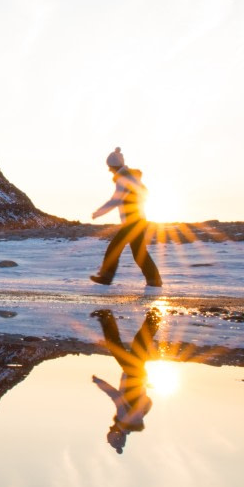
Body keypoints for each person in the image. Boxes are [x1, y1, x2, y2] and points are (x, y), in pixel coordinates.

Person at [90, 307, 160, 454]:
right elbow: (114, 394)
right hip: (133, 373)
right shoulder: (124, 418)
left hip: (137, 375)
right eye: (111, 430)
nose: (111, 426)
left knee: (137, 344)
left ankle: (153, 318)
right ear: (116, 433)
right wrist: (98, 382)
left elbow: (145, 401)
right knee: (117, 346)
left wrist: (142, 385)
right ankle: (106, 317)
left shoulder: (133, 420)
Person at [89, 147, 162, 287]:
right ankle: (154, 280)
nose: (109, 170)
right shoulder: (132, 178)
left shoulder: (123, 178)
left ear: (114, 166)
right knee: (138, 252)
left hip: (132, 221)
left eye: (110, 167)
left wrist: (99, 212)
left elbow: (115, 200)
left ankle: (106, 277)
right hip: (139, 220)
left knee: (114, 248)